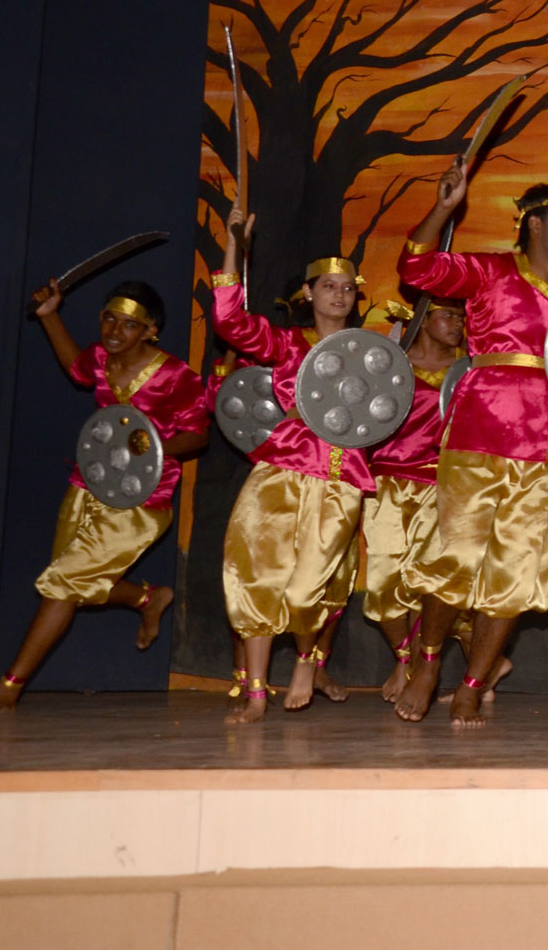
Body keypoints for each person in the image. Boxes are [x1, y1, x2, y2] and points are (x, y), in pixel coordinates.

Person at [394, 169, 548, 727]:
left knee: (516, 573)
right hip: (479, 435)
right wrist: (444, 207)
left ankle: (473, 683)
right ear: (534, 224)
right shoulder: (490, 271)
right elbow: (415, 268)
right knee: (455, 558)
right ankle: (427, 663)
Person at [0, 280, 208, 714]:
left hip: (141, 500)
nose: (115, 330)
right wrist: (49, 316)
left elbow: (198, 435)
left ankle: (9, 686)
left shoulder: (176, 376)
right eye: (109, 319)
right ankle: (145, 598)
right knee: (69, 583)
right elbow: (77, 367)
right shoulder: (100, 358)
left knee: (62, 584)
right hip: (87, 486)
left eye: (129, 324)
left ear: (150, 330)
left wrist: (152, 447)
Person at [212, 215, 374, 723]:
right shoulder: (287, 344)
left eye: (348, 288)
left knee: (307, 589)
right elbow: (230, 322)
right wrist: (234, 247)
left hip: (340, 477)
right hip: (280, 471)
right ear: (308, 293)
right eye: (329, 286)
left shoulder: (372, 357)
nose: (339, 295)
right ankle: (257, 693)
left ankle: (307, 660)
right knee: (255, 576)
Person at [362, 297, 465, 701]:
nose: (457, 323)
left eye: (461, 317)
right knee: (382, 585)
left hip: (443, 486)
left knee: (433, 581)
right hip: (387, 484)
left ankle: (424, 666)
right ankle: (406, 657)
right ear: (423, 320)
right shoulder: (391, 364)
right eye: (448, 315)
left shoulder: (470, 369)